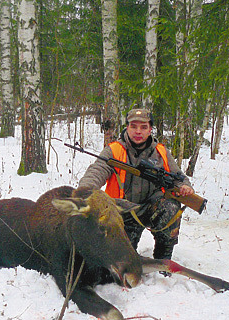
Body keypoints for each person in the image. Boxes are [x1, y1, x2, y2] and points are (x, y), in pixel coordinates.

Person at [77, 108, 194, 261]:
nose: (138, 131)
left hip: (152, 207)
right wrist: (84, 191)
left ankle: (163, 258)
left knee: (171, 207)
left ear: (150, 129)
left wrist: (185, 186)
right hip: (122, 211)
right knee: (122, 260)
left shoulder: (161, 151)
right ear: (127, 127)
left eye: (143, 127)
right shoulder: (113, 150)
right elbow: (97, 170)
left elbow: (179, 177)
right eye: (134, 126)